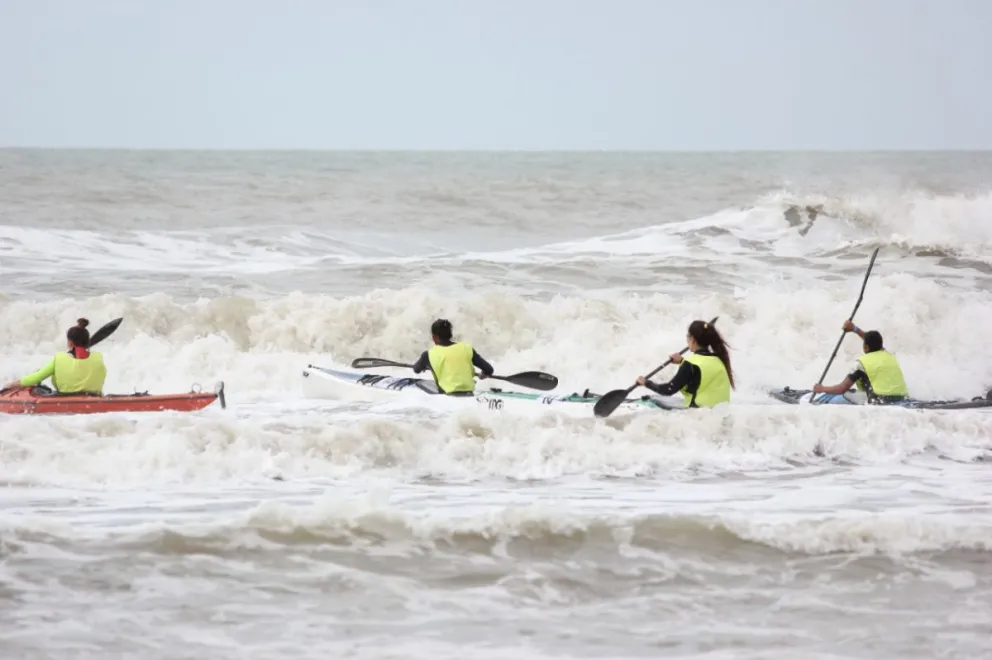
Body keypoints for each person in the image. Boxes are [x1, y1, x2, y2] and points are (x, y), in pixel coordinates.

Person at [635, 319, 734, 408]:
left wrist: (646, 383)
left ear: (692, 340)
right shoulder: (719, 359)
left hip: (698, 417)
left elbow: (668, 390)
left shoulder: (690, 365)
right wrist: (682, 361)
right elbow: (700, 372)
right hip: (720, 416)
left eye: (687, 336)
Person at [3, 318, 107, 395]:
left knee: (38, 388)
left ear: (70, 342)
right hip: (94, 397)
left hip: (66, 398)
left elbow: (35, 378)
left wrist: (11, 384)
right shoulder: (98, 357)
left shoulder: (59, 358)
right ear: (87, 342)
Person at [812, 320, 908, 402]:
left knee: (848, 394)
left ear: (866, 347)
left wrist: (822, 389)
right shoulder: (889, 355)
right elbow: (873, 341)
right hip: (901, 398)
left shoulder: (862, 363)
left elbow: (841, 389)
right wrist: (854, 329)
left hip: (879, 401)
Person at [411, 318, 495, 395]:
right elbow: (489, 369)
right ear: (450, 335)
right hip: (469, 394)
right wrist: (484, 374)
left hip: (447, 397)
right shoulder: (466, 348)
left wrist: (424, 365)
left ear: (435, 337)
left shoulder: (428, 354)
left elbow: (416, 369)